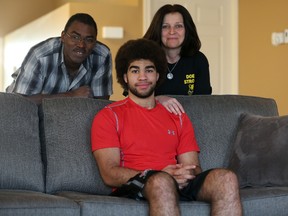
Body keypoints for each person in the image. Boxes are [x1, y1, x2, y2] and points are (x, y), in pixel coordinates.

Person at [91, 38, 242, 216]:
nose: (142, 77)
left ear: (157, 75)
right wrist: (162, 175)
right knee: (161, 182)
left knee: (226, 178)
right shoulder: (109, 116)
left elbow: (193, 166)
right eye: (135, 71)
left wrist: (184, 175)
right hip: (137, 185)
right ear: (125, 77)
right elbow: (109, 174)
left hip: (176, 183)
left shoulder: (177, 115)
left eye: (149, 70)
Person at [6, 13, 112, 104]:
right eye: (75, 37)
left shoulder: (102, 55)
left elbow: (101, 104)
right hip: (16, 106)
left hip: (65, 113)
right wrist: (71, 96)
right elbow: (21, 102)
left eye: (88, 40)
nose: (81, 45)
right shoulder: (40, 55)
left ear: (95, 42)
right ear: (63, 36)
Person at [143, 4, 212, 113]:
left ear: (187, 30)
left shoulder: (199, 60)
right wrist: (158, 99)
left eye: (178, 26)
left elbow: (203, 103)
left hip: (187, 121)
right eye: (165, 26)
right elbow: (133, 100)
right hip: (150, 121)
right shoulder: (144, 59)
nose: (172, 32)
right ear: (157, 30)